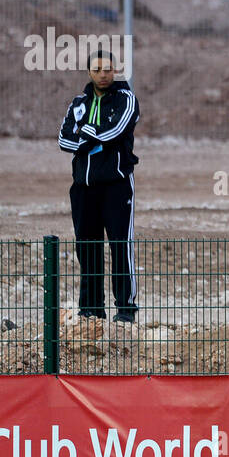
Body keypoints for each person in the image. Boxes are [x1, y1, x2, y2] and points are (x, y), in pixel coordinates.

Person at [58, 50, 140, 324]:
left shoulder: (126, 99)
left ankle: (126, 309)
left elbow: (116, 130)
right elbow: (64, 139)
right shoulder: (78, 102)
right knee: (87, 246)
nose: (104, 73)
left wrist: (87, 132)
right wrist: (89, 137)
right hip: (83, 187)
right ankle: (91, 308)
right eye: (98, 69)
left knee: (120, 245)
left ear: (115, 70)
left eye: (108, 68)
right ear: (89, 72)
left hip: (116, 185)